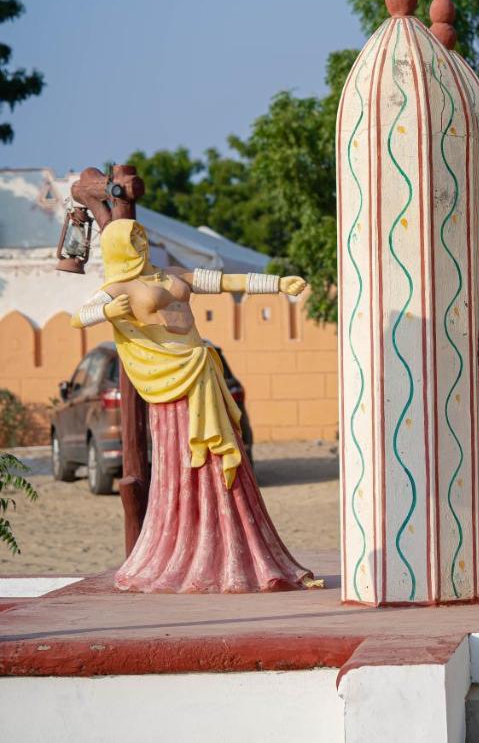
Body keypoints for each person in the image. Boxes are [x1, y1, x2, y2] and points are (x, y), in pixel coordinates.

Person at [71, 219, 316, 593]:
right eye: (132, 239)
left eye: (142, 236)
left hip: (202, 371)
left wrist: (279, 284)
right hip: (173, 383)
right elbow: (78, 317)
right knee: (187, 462)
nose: (140, 243)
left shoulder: (171, 273)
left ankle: (237, 549)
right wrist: (107, 312)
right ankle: (192, 550)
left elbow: (223, 282)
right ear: (118, 246)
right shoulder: (116, 288)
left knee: (223, 460)